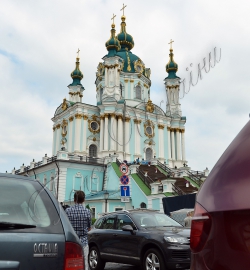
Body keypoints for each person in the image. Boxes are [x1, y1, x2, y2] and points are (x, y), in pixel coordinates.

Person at [66, 191, 91, 270]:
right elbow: (89, 228)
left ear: (74, 199)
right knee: (85, 263)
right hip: (83, 241)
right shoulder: (87, 212)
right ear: (83, 200)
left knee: (71, 263)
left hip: (72, 241)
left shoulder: (68, 211)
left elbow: (66, 226)